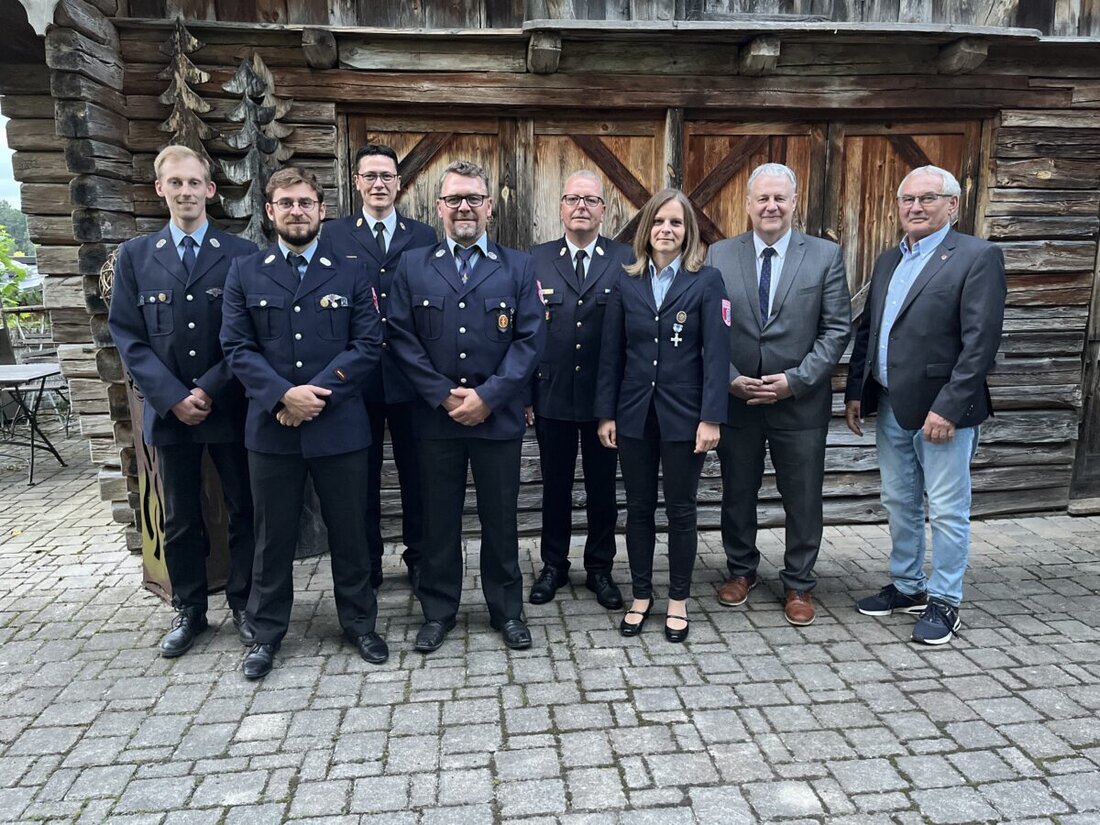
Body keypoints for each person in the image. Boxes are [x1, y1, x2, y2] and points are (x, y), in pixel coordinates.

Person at [220, 166, 386, 678]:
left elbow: (368, 344)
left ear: (321, 210)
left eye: (306, 203)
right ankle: (266, 633)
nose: (297, 211)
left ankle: (360, 623)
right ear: (270, 211)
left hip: (339, 426)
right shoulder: (246, 271)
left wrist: (316, 396)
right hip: (273, 427)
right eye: (287, 203)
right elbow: (236, 347)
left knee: (350, 531)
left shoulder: (352, 272)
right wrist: (283, 396)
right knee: (272, 537)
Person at [387, 159, 545, 653]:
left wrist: (488, 397)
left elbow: (530, 340)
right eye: (454, 198)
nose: (464, 207)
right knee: (438, 520)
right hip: (435, 419)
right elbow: (400, 337)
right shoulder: (414, 265)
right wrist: (441, 394)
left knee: (500, 519)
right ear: (439, 207)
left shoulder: (518, 266)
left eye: (473, 198)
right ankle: (438, 611)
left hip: (496, 417)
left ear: (489, 206)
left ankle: (507, 610)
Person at [108, 144, 257, 658]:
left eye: (195, 182)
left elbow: (249, 334)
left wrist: (209, 388)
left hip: (229, 405)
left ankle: (245, 603)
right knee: (180, 517)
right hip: (169, 412)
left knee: (244, 508)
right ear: (160, 189)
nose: (186, 191)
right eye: (176, 182)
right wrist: (172, 397)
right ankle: (190, 608)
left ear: (210, 190)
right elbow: (128, 335)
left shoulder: (240, 255)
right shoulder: (136, 256)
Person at [847, 165, 1006, 645]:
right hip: (891, 403)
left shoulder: (976, 257)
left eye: (927, 198)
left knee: (948, 507)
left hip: (943, 412)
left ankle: (945, 600)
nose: (915, 207)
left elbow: (981, 343)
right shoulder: (888, 260)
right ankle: (908, 585)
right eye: (908, 199)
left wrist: (949, 408)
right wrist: (856, 391)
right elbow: (870, 330)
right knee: (899, 500)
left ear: (952, 205)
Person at [705, 163, 851, 626]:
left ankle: (799, 583)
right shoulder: (719, 255)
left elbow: (836, 329)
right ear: (748, 204)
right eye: (763, 198)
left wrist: (796, 380)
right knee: (737, 491)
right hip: (739, 400)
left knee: (802, 496)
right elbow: (708, 328)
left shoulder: (825, 256)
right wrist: (729, 377)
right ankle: (740, 571)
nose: (771, 206)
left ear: (794, 203)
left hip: (799, 402)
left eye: (780, 198)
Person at [594, 188, 729, 643]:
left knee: (681, 510)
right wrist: (606, 414)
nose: (665, 230)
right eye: (658, 221)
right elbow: (611, 354)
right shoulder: (626, 281)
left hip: (685, 416)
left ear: (688, 232)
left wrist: (711, 417)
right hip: (633, 413)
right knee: (637, 508)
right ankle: (640, 596)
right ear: (645, 229)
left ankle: (677, 600)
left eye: (675, 222)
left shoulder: (706, 282)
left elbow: (717, 355)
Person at [324, 143, 437, 589]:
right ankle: (367, 562)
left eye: (386, 176)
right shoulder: (333, 236)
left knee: (419, 477)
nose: (378, 184)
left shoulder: (423, 235)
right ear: (356, 182)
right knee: (360, 478)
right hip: (357, 380)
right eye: (369, 175)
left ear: (399, 182)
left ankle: (420, 558)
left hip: (411, 378)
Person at [527, 170, 633, 610]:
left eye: (590, 200)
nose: (581, 207)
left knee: (602, 489)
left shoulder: (626, 259)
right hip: (550, 394)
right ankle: (553, 565)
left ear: (604, 210)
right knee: (554, 486)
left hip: (603, 399)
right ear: (561, 207)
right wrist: (525, 395)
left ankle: (600, 568)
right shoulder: (535, 259)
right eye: (573, 199)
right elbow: (524, 331)